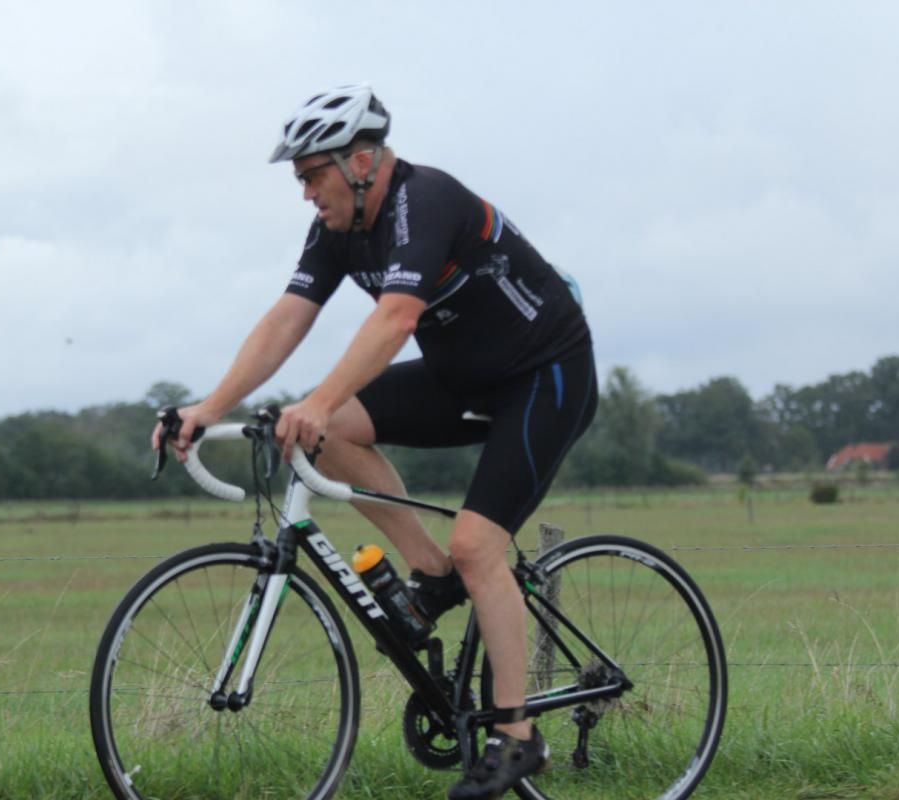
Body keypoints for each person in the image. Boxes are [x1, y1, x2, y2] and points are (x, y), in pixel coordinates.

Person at [154, 83, 597, 799]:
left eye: (310, 174)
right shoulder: (338, 229)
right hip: (461, 374)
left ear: (362, 161)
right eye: (299, 179)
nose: (305, 193)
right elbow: (287, 318)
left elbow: (394, 321)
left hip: (544, 375)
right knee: (325, 443)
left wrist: (321, 399)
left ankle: (518, 736)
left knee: (480, 543)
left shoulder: (424, 203)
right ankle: (435, 576)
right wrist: (209, 406)